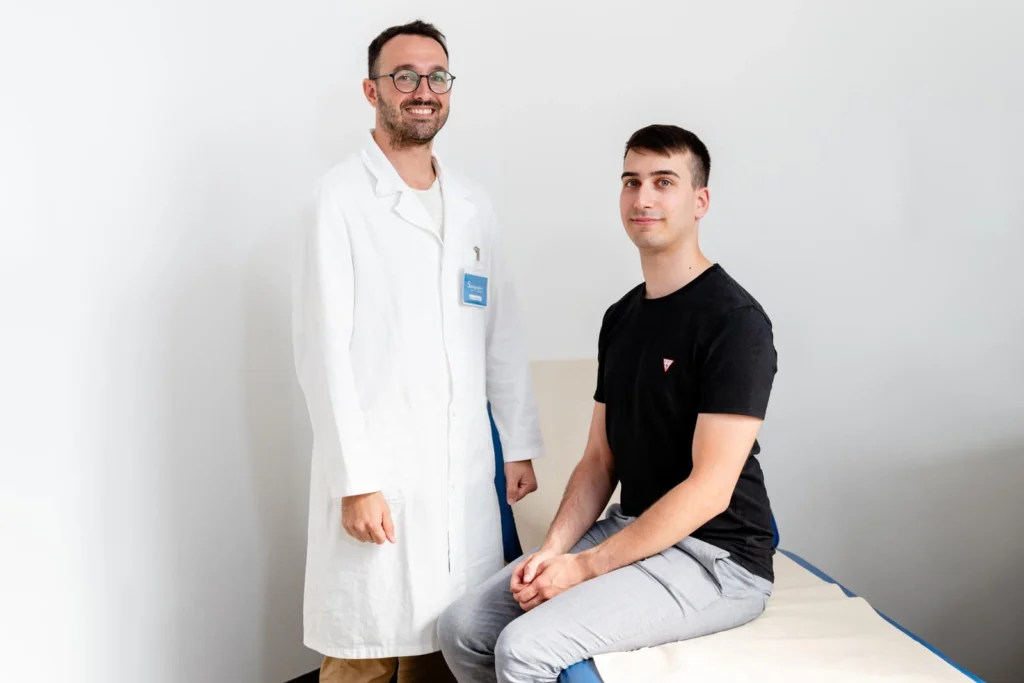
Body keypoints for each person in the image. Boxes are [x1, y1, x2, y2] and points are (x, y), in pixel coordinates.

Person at [437, 124, 779, 683]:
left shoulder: (734, 322)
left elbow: (711, 489)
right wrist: (553, 553)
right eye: (631, 181)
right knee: (463, 628)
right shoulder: (621, 318)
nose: (643, 198)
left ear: (700, 202)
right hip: (633, 526)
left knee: (524, 649)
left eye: (663, 182)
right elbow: (600, 460)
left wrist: (585, 568)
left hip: (718, 557)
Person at [292, 20, 544, 683]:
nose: (422, 90)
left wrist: (517, 443)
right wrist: (356, 481)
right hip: (381, 471)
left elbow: (500, 332)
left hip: (462, 472)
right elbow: (322, 353)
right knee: (367, 649)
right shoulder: (339, 199)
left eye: (436, 76)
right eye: (404, 76)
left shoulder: (473, 204)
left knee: (448, 641)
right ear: (372, 90)